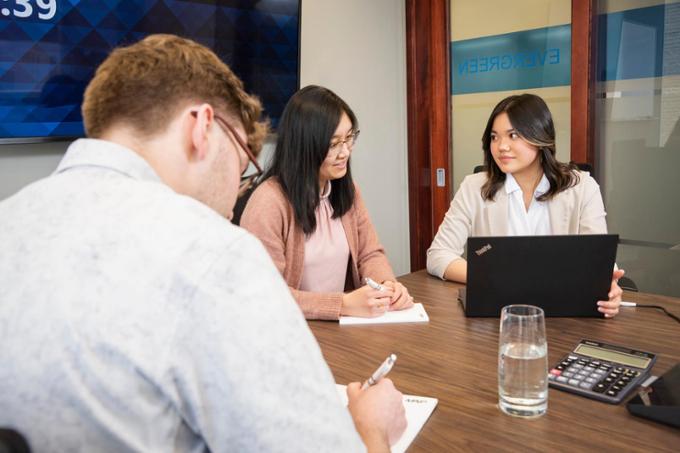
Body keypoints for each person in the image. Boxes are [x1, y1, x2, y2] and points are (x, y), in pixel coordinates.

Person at [0, 34, 406, 452]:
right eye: (243, 157)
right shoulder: (212, 252)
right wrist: (371, 430)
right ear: (202, 127)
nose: (237, 190)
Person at [426, 93, 624, 318]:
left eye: (513, 135)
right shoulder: (474, 187)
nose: (501, 146)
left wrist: (608, 285)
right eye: (494, 137)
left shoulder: (582, 187)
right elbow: (438, 255)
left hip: (565, 315)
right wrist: (500, 276)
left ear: (540, 136)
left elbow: (597, 260)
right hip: (496, 317)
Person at [240, 85, 413, 320]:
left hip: (340, 330)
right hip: (292, 330)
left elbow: (370, 254)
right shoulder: (269, 202)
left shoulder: (347, 191)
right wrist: (341, 304)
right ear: (305, 146)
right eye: (333, 144)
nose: (345, 152)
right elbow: (265, 293)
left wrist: (387, 285)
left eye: (349, 138)